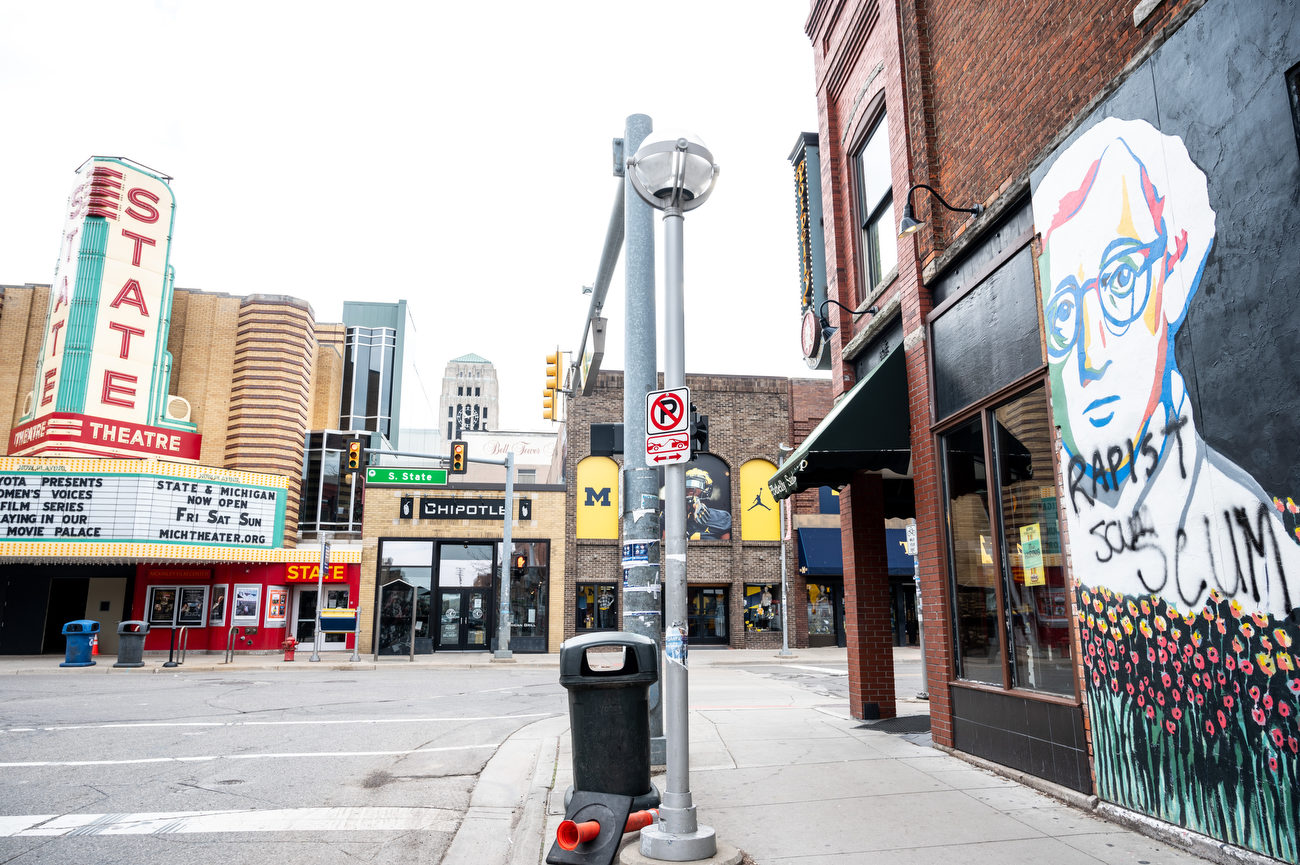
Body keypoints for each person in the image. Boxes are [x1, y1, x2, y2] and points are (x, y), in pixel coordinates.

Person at [1034, 117, 1299, 618]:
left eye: (1120, 281)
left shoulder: (1257, 542)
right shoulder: (1079, 511)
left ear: (1172, 274)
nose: (1090, 357)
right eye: (1065, 312)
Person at [684, 467, 732, 540]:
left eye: (696, 484)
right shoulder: (670, 516)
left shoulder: (721, 517)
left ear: (706, 488)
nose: (691, 487)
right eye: (687, 484)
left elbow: (726, 546)